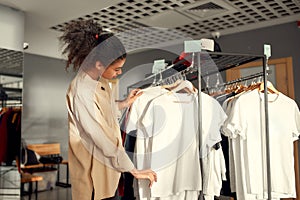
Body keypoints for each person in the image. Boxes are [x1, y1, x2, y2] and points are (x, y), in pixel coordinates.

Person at [59, 19, 157, 200]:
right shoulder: (81, 89)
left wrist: (124, 103)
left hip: (107, 170)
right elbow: (97, 135)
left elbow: (103, 110)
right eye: (117, 69)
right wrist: (133, 169)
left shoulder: (100, 81)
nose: (119, 73)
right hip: (93, 175)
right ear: (98, 64)